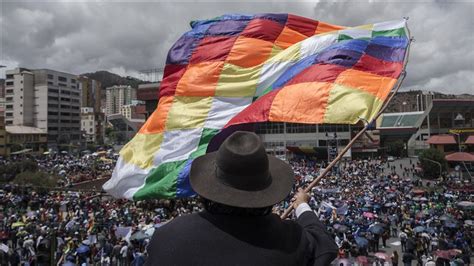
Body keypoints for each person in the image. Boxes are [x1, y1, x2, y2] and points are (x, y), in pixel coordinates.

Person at [146, 131, 338, 265]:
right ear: (266, 190)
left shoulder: (168, 237)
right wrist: (302, 206)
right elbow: (324, 245)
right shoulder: (290, 241)